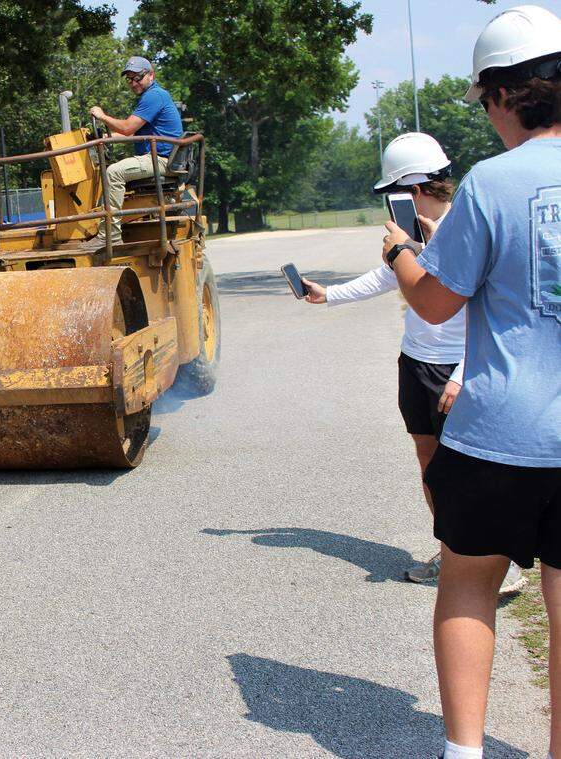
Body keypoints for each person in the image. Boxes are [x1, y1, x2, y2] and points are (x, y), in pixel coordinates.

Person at [380, 6, 561, 757]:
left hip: (497, 432)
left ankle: (463, 751)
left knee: (467, 582)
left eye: (485, 102)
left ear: (502, 96)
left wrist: (397, 253)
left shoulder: (489, 183)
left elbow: (435, 299)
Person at [303, 133, 527, 591]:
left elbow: (495, 310)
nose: (390, 206)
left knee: (469, 471)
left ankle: (499, 568)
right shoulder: (411, 236)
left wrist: (466, 373)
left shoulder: (468, 227)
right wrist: (329, 295)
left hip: (459, 371)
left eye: (394, 195)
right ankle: (453, 553)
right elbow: (387, 278)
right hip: (418, 364)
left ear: (415, 189)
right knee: (430, 463)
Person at [89, 56, 183, 245]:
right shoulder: (151, 97)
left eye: (137, 78)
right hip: (159, 158)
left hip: (162, 160)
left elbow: (127, 128)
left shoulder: (154, 96)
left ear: (151, 75)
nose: (133, 83)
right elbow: (131, 133)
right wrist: (106, 138)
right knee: (113, 171)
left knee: (113, 173)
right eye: (129, 79)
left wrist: (102, 116)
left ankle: (110, 236)